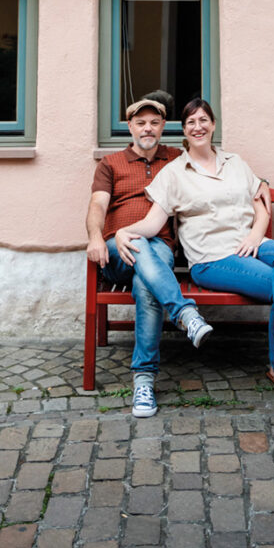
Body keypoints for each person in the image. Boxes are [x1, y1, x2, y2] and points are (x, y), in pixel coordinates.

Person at [115, 97, 274, 401]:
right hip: (212, 260)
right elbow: (152, 221)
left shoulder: (235, 163)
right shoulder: (174, 172)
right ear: (184, 131)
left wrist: (254, 236)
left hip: (249, 246)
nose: (198, 127)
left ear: (213, 125)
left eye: (203, 120)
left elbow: (261, 205)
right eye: (190, 122)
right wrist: (125, 231)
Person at [86, 95, 213, 418]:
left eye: (154, 123)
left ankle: (143, 381)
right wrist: (94, 238)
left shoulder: (175, 158)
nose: (148, 128)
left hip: (158, 248)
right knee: (143, 250)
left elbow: (214, 166)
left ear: (163, 128)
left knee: (147, 281)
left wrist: (261, 183)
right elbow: (98, 206)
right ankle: (185, 313)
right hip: (119, 248)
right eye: (141, 123)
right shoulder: (110, 164)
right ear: (130, 127)